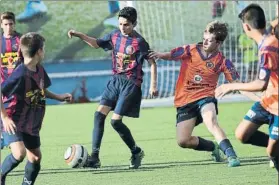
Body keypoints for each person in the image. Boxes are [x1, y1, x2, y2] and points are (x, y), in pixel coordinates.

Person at [67, 7, 158, 169]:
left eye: (127, 25)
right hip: (115, 81)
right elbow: (96, 44)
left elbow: (152, 62)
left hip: (131, 84)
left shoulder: (140, 42)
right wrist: (80, 35)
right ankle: (94, 158)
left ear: (134, 24)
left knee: (115, 122)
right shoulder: (114, 35)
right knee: (98, 115)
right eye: (121, 24)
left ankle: (136, 151)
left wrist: (153, 85)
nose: (123, 27)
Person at [148, 20, 241, 167]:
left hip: (205, 98)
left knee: (211, 121)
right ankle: (213, 147)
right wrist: (159, 54)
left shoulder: (222, 61)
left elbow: (235, 82)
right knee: (183, 141)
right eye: (204, 38)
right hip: (184, 100)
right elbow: (172, 54)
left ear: (219, 43)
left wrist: (235, 86)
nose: (205, 42)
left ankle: (231, 155)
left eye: (209, 41)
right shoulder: (190, 50)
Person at [1, 32, 72, 185]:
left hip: (31, 122)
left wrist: (58, 97)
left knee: (35, 158)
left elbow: (41, 90)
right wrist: (5, 117)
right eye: (43, 48)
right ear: (39, 51)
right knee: (19, 153)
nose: (44, 51)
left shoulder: (39, 69)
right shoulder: (20, 73)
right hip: (14, 119)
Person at [215, 4, 278, 172]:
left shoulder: (268, 47)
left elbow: (260, 84)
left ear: (246, 27)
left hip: (278, 104)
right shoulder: (268, 34)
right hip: (268, 100)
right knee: (242, 134)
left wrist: (231, 86)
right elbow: (274, 22)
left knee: (271, 151)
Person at [1, 11, 22, 149]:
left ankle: (8, 137)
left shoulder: (22, 40)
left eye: (11, 24)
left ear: (14, 24)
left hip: (18, 87)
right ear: (1, 25)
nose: (9, 27)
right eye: (6, 24)